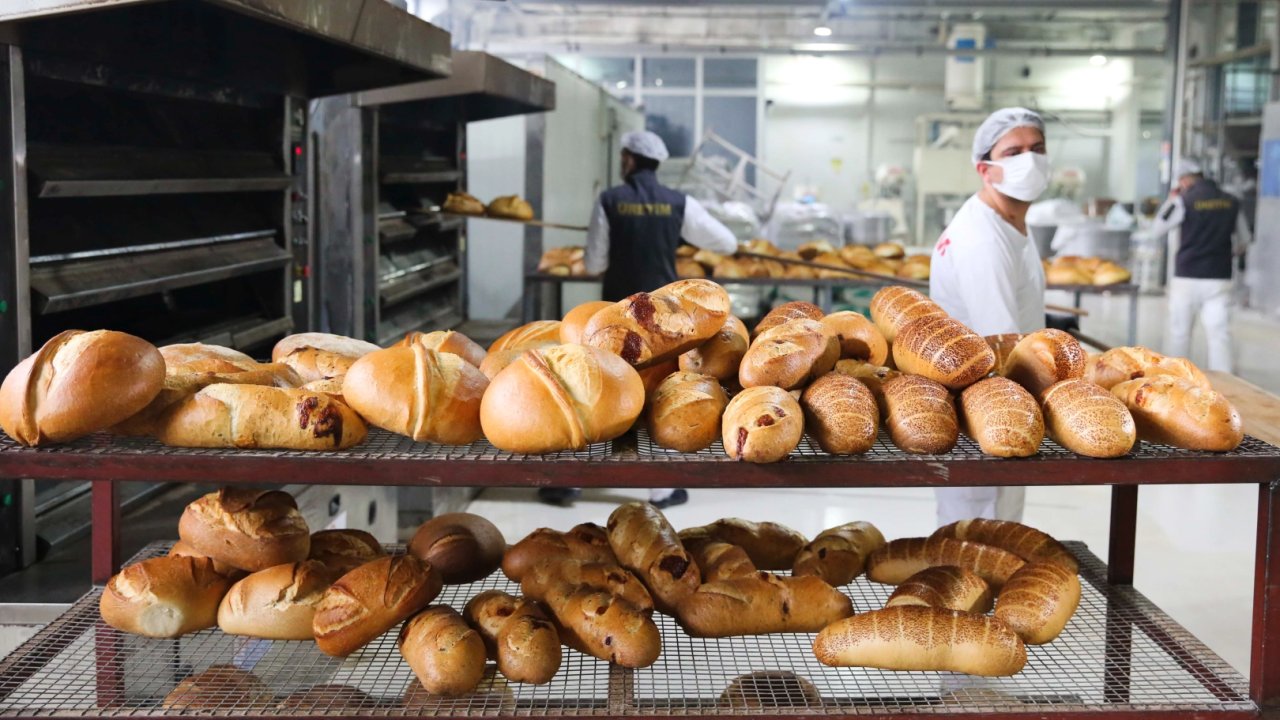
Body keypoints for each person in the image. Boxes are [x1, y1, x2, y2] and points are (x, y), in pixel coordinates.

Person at [537, 130, 738, 510]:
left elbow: (595, 261)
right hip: (666, 328)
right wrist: (677, 238)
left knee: (595, 395)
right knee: (652, 399)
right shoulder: (679, 202)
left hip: (613, 319)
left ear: (628, 159)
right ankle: (659, 489)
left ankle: (569, 484)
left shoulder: (610, 200)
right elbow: (726, 243)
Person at [929, 107, 1050, 527]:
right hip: (989, 405)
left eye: (1037, 148)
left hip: (1001, 401)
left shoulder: (1009, 220)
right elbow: (1001, 347)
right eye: (1013, 152)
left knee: (994, 525)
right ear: (986, 169)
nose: (1029, 160)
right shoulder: (983, 239)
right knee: (981, 525)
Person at [1134, 158, 1250, 373]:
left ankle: (1176, 378)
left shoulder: (1183, 200)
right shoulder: (1232, 201)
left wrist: (1171, 199)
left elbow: (1157, 229)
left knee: (1180, 332)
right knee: (1219, 332)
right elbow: (1244, 240)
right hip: (1219, 276)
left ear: (1185, 180)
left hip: (1187, 275)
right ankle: (1224, 382)